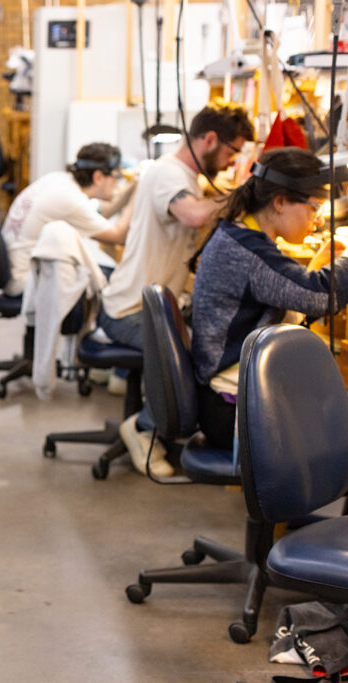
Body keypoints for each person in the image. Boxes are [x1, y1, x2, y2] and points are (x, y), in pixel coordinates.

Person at [98, 100, 254, 477]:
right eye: (232, 151)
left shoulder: (183, 177)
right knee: (196, 360)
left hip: (145, 302)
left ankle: (156, 416)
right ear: (210, 139)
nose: (230, 162)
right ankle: (143, 429)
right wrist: (248, 190)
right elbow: (195, 214)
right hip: (129, 311)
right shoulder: (170, 174)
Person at [192, 147, 348, 449]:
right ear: (280, 202)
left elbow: (295, 288)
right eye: (313, 208)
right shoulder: (248, 252)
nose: (316, 220)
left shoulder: (240, 235)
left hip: (230, 397)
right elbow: (320, 296)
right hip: (232, 411)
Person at [1, 142, 133, 296]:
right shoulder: (70, 200)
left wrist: (130, 191)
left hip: (13, 269)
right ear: (98, 177)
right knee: (116, 284)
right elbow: (119, 237)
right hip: (24, 280)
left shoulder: (59, 181)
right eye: (116, 177)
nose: (118, 184)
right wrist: (139, 195)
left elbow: (102, 213)